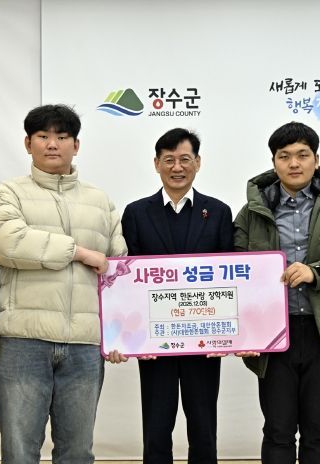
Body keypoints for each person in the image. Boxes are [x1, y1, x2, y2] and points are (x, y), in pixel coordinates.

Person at [0, 104, 127, 463]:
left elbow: (117, 271)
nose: (52, 144)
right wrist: (79, 252)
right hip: (25, 342)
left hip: (84, 346)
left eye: (62, 137)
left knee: (77, 451)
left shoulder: (100, 201)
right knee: (19, 450)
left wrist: (119, 335)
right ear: (27, 143)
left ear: (76, 145)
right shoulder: (9, 193)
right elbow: (7, 242)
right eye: (43, 136)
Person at [233, 121, 320, 464]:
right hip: (273, 335)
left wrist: (316, 272)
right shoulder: (253, 211)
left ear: (316, 159)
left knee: (317, 430)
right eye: (284, 156)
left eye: (302, 155)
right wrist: (242, 332)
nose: (294, 163)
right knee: (277, 430)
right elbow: (235, 270)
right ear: (274, 162)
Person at [107, 128, 233, 464]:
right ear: (156, 164)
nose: (177, 167)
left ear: (198, 162)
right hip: (154, 341)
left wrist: (227, 335)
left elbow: (230, 276)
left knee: (204, 428)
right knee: (156, 427)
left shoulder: (218, 212)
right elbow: (125, 279)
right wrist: (128, 338)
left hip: (204, 339)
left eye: (185, 159)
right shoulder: (136, 213)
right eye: (169, 160)